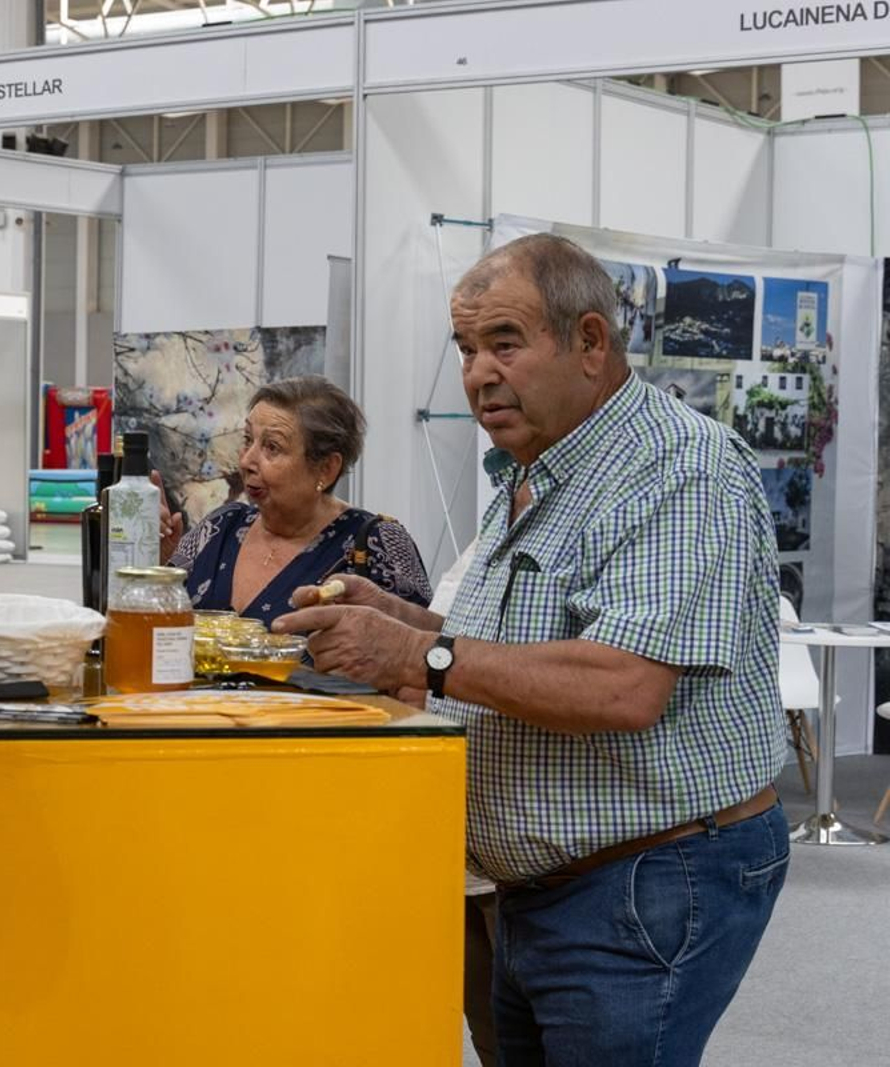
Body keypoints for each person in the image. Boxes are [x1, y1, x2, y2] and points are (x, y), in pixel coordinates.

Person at [275, 233, 789, 1066]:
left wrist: (420, 659)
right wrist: (408, 622)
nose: (478, 373)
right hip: (534, 891)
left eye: (504, 343)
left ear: (590, 341)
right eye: (467, 348)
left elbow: (623, 685)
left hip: (645, 881)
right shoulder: (542, 468)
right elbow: (530, 648)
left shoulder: (678, 468)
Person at [165, 375, 432, 625]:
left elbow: (422, 651)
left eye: (272, 447)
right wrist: (159, 557)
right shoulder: (220, 527)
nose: (246, 461)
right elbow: (160, 621)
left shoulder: (379, 544)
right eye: (248, 440)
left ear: (326, 469)